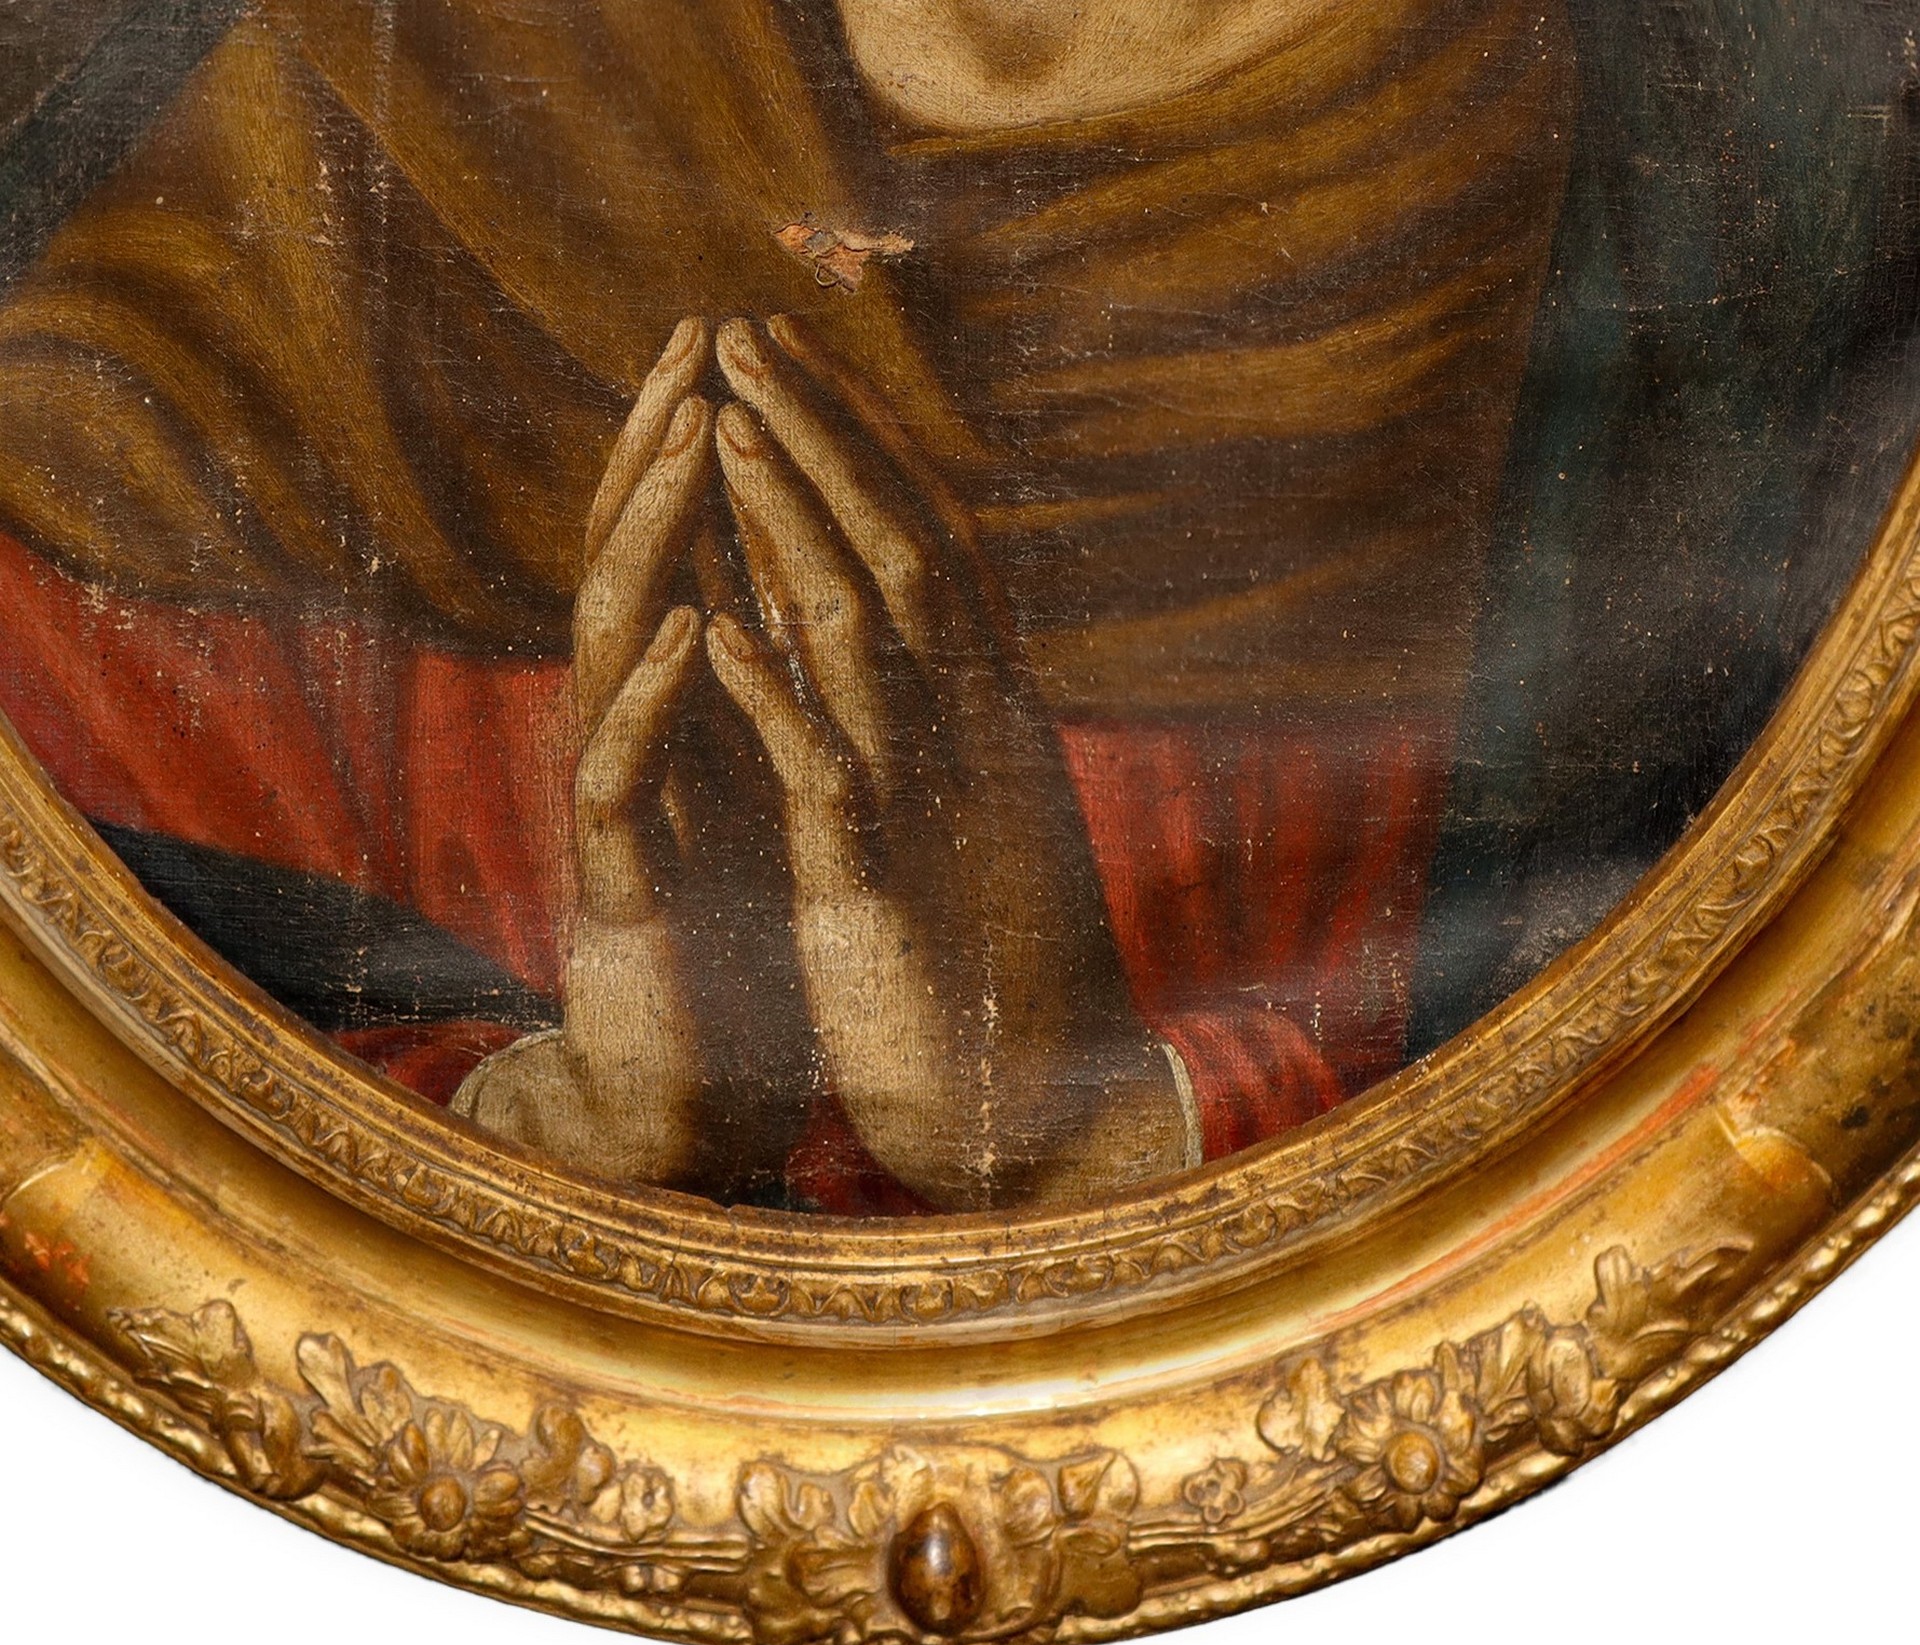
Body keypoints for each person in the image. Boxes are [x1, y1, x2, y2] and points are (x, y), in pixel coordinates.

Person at [0, 0, 1575, 1212]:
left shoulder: (1617, 173)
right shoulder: (334, 123)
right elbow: (104, 1050)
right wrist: (535, 1131)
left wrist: (1111, 1138)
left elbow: (1617, 1064)